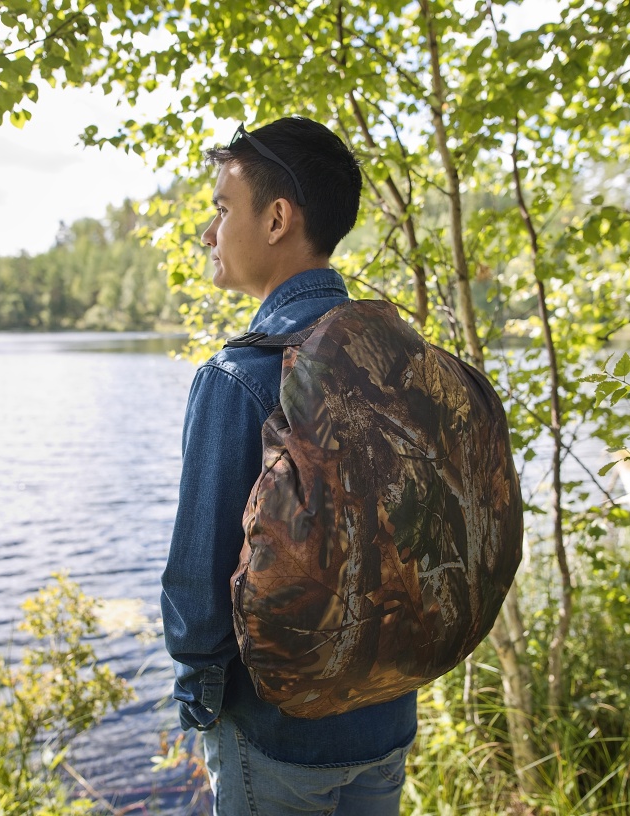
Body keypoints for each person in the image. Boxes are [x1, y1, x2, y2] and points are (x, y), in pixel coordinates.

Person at [160, 116, 417, 816]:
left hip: (277, 734)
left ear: (277, 219)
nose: (208, 233)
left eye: (221, 209)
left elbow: (199, 579)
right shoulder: (397, 357)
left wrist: (204, 698)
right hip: (387, 715)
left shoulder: (239, 376)